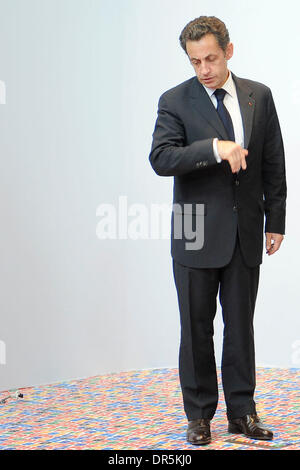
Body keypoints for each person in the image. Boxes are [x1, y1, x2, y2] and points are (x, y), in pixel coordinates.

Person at [149, 16, 287, 445]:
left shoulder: (258, 96)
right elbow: (161, 158)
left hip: (246, 230)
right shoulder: (174, 101)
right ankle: (199, 416)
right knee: (196, 328)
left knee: (240, 326)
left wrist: (276, 220)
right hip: (194, 231)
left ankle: (242, 414)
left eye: (210, 58)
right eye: (195, 61)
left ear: (229, 51)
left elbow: (272, 161)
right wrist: (213, 148)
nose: (204, 69)